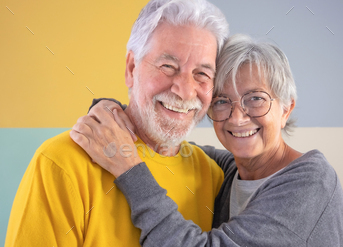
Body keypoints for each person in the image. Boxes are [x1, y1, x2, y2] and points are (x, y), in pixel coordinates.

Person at [76, 34, 343, 246]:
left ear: (286, 109)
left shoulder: (312, 181)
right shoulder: (230, 169)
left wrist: (128, 169)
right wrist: (111, 111)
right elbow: (164, 144)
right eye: (222, 102)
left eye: (256, 99)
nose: (237, 118)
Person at [5, 0, 229, 246]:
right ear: (131, 68)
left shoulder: (214, 176)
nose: (185, 91)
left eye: (202, 74)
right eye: (168, 66)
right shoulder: (61, 162)